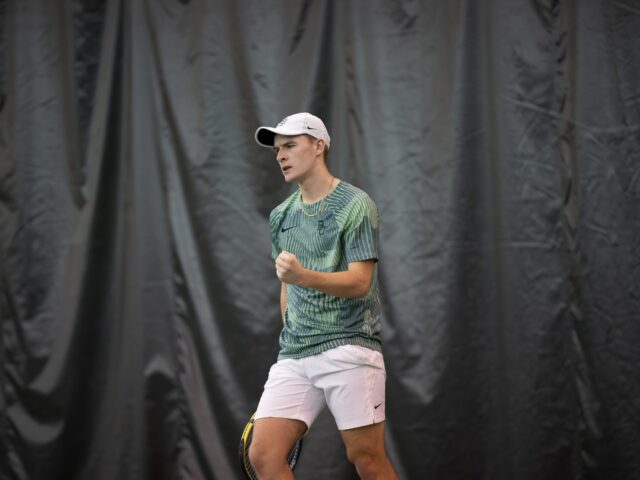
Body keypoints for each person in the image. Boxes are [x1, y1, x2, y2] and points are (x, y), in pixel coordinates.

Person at [249, 112, 398, 480]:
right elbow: (287, 286)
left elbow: (360, 282)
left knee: (366, 458)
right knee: (264, 455)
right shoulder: (281, 216)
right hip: (296, 354)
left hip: (349, 347)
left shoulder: (355, 204)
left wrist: (303, 276)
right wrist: (292, 329)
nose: (281, 155)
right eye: (277, 150)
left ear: (318, 146)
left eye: (290, 146)